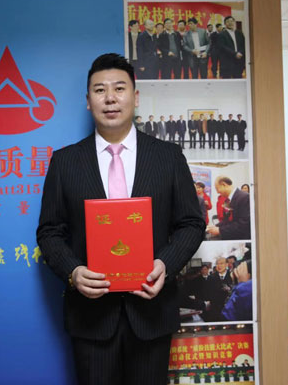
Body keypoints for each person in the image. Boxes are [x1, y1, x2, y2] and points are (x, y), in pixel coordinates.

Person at [36, 53, 205, 385]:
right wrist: (73, 272)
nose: (110, 98)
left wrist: (165, 264)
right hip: (91, 319)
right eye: (100, 90)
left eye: (119, 88)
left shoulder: (168, 157)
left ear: (135, 97)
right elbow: (50, 232)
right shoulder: (65, 162)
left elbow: (191, 223)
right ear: (88, 101)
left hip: (151, 314)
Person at [207, 176, 251, 240]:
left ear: (224, 185)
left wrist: (220, 230)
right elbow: (226, 220)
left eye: (217, 189)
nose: (217, 192)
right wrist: (215, 226)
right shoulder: (227, 200)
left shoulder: (244, 197)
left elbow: (243, 224)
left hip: (241, 239)